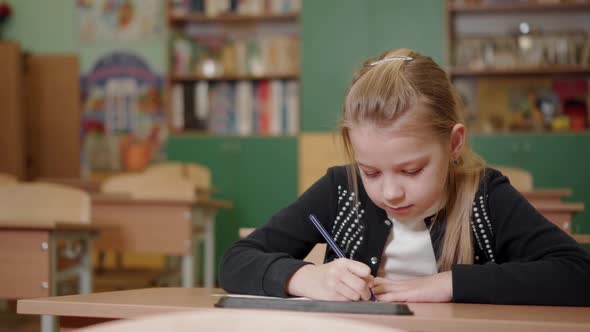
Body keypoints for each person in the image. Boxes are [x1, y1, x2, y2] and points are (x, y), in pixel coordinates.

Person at [219, 48, 590, 306]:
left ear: (454, 143)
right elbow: (236, 261)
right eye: (371, 171)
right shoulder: (340, 190)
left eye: (412, 170)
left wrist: (451, 285)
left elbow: (578, 274)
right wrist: (301, 277)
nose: (391, 192)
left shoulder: (484, 197)